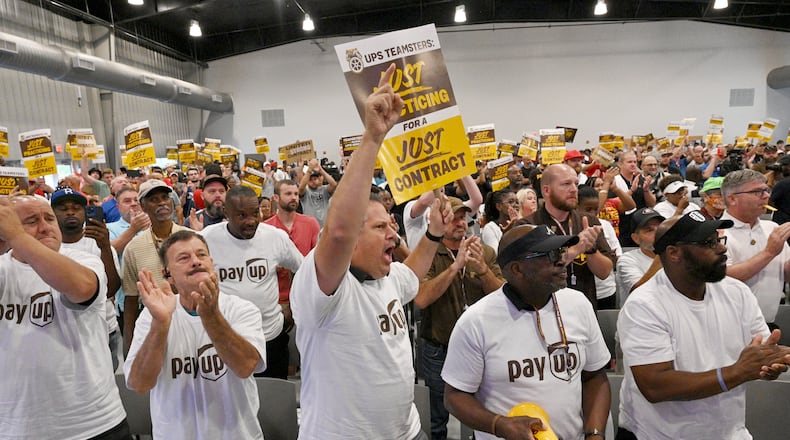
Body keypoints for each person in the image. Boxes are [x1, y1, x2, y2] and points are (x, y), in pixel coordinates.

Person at [290, 64, 451, 440]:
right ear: (352, 241)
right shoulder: (324, 291)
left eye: (391, 225)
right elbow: (340, 229)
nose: (393, 235)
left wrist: (435, 234)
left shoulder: (388, 278)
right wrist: (372, 139)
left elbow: (413, 273)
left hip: (405, 432)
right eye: (381, 227)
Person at [617, 210, 790, 439]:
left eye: (718, 239)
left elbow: (759, 353)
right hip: (661, 434)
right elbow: (655, 385)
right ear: (674, 253)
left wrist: (767, 365)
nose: (722, 248)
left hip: (729, 431)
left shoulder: (736, 291)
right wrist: (737, 372)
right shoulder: (644, 305)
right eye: (708, 243)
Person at [442, 224, 611, 440]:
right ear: (517, 269)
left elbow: (594, 376)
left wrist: (594, 434)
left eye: (560, 251)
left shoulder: (578, 304)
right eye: (549, 254)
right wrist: (498, 424)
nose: (561, 260)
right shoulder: (476, 321)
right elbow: (455, 396)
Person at [0, 195, 129, 438]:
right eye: (31, 220)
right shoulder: (4, 268)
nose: (45, 226)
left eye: (49, 218)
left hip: (95, 424)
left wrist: (17, 237)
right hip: (17, 428)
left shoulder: (83, 260)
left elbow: (81, 288)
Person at [124, 230, 266, 439]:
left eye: (201, 255)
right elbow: (139, 383)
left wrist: (211, 316)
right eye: (183, 258)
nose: (195, 261)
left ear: (211, 262)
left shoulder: (242, 309)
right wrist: (161, 323)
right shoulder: (152, 316)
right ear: (167, 274)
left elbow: (245, 366)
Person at [415, 197, 504, 440]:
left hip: (483, 347)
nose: (460, 222)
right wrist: (456, 266)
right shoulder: (427, 254)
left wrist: (483, 269)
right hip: (439, 346)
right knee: (437, 417)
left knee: (484, 411)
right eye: (454, 217)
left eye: (463, 217)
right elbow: (421, 299)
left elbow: (505, 296)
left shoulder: (484, 251)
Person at [201, 185, 303, 379]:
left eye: (255, 213)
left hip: (270, 337)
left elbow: (302, 269)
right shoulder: (207, 239)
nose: (251, 221)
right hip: (226, 340)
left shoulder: (274, 237)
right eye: (241, 215)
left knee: (271, 400)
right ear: (226, 213)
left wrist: (293, 306)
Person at [51, 188, 123, 371]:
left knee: (106, 382)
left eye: (76, 207)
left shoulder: (99, 242)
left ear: (85, 212)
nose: (70, 212)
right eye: (63, 208)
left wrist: (105, 247)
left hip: (103, 328)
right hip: (59, 331)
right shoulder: (47, 246)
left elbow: (112, 289)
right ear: (52, 213)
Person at [526, 164, 615, 308]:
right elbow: (535, 272)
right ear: (546, 190)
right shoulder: (529, 225)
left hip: (583, 306)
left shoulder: (589, 221)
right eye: (566, 184)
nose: (574, 189)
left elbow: (604, 272)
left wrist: (591, 250)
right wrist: (576, 249)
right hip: (543, 308)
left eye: (576, 183)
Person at [122, 179, 190, 351]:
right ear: (143, 207)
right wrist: (128, 339)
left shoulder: (191, 239)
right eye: (154, 199)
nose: (161, 203)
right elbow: (130, 298)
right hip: (153, 320)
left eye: (165, 197)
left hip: (191, 315)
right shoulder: (134, 247)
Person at [721, 169, 790, 327]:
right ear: (732, 199)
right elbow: (724, 278)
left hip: (768, 322)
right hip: (731, 326)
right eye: (757, 192)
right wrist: (769, 252)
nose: (766, 196)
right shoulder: (717, 232)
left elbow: (787, 276)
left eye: (766, 190)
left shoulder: (772, 228)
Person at [615, 207, 664, 301]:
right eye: (649, 230)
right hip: (640, 313)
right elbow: (639, 291)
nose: (658, 233)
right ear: (636, 238)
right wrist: (661, 256)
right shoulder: (627, 260)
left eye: (660, 227)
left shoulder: (676, 256)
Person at [298, 157, 338, 226]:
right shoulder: (306, 192)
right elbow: (301, 187)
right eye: (310, 179)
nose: (313, 181)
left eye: (315, 179)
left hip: (324, 227)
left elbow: (334, 184)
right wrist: (309, 170)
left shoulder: (324, 190)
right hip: (310, 227)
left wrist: (320, 170)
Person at [481, 189, 519, 253]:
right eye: (511, 202)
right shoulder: (490, 228)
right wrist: (507, 234)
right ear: (499, 206)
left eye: (517, 202)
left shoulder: (521, 223)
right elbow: (497, 255)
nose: (516, 205)